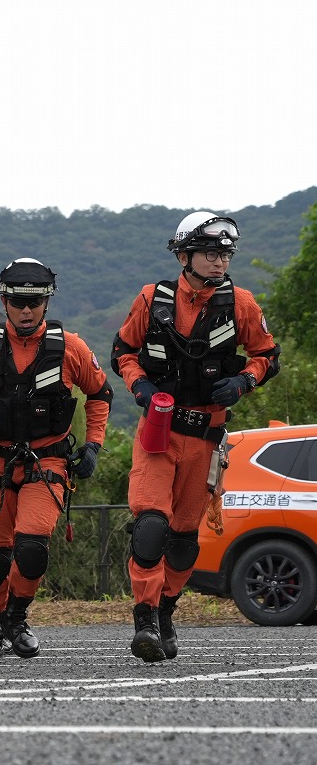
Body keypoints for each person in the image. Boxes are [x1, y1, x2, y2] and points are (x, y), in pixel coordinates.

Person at [112, 212, 280, 662]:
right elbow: (123, 351)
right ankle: (145, 618)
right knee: (151, 524)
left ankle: (166, 611)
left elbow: (268, 355)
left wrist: (244, 380)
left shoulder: (241, 303)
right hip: (158, 432)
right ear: (184, 255)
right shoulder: (151, 298)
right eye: (210, 253)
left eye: (226, 254)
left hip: (206, 437)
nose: (220, 261)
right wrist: (139, 386)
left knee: (184, 540)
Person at [0, 259, 112, 664]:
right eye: (18, 301)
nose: (27, 309)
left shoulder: (71, 347)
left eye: (35, 301)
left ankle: (16, 617)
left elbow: (100, 394)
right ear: (5, 301)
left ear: (47, 302)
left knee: (32, 547)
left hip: (46, 462)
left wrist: (93, 446)